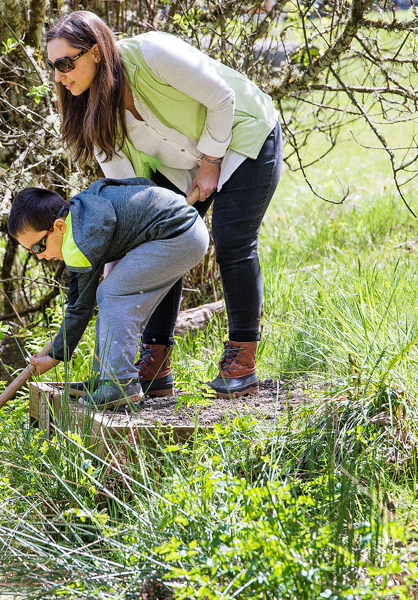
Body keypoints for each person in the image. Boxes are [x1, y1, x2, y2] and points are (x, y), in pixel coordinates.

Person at [45, 11, 283, 398]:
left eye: (65, 63)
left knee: (232, 239)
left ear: (97, 53)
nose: (59, 75)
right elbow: (127, 192)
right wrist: (116, 256)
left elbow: (222, 97)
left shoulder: (153, 53)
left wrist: (210, 162)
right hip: (184, 166)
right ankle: (154, 365)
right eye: (53, 66)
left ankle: (242, 359)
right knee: (154, 243)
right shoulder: (93, 113)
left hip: (243, 133)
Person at [7, 178, 209, 409]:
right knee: (111, 293)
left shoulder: (82, 242)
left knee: (112, 294)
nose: (39, 256)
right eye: (32, 252)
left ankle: (120, 382)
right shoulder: (82, 209)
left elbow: (79, 307)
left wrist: (54, 357)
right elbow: (136, 182)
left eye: (38, 247)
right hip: (183, 229)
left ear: (60, 226)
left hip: (178, 235)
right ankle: (106, 378)